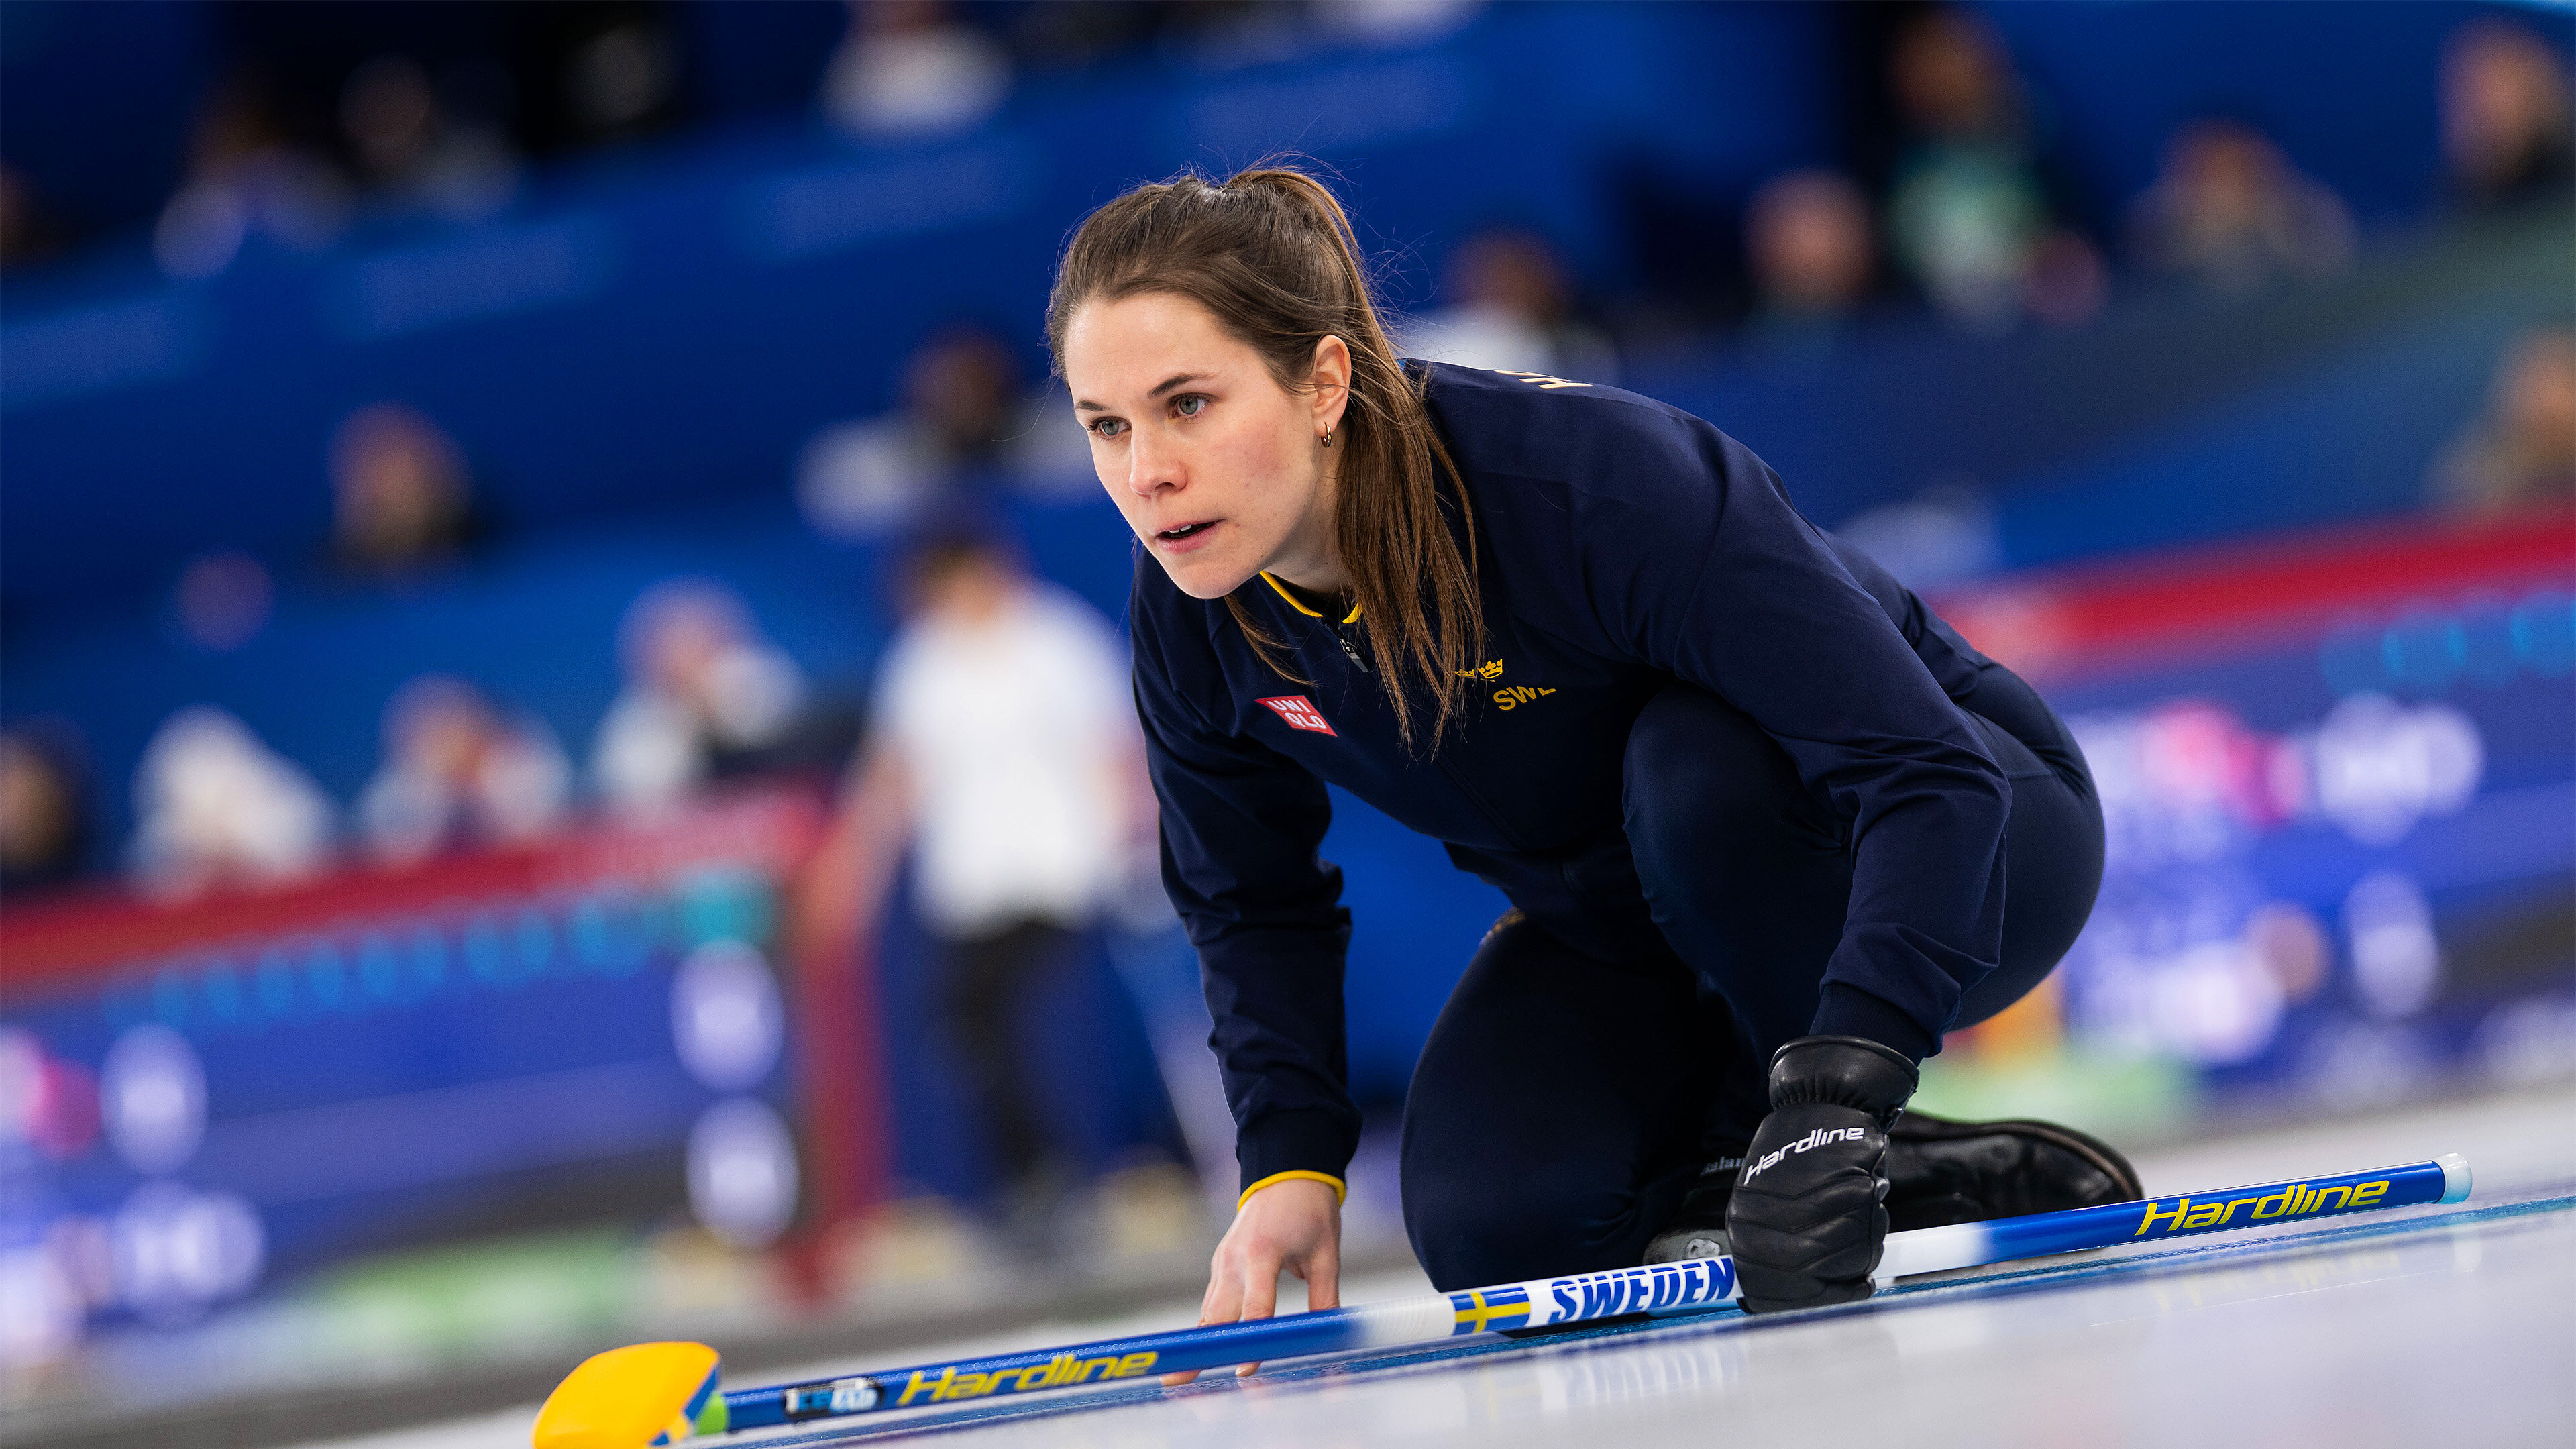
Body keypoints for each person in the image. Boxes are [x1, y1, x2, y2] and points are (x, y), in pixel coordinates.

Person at [1046, 166, 2138, 1350]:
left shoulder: (1587, 484)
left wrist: (1842, 1089)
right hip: (1635, 924)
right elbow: (1252, 905)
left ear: (1323, 382)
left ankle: (1832, 1124)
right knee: (1493, 1234)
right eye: (1107, 425)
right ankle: (1895, 1176)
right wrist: (1286, 1171)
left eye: (1187, 405)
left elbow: (1924, 774)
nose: (1144, 473)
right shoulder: (1192, 612)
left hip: (1975, 832)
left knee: (1690, 770)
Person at [798, 526, 1157, 1236]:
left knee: (1030, 1026)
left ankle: (1078, 1177)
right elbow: (892, 779)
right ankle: (1031, 1184)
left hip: (1061, 877)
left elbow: (1119, 751)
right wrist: (850, 876)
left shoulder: (1059, 643)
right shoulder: (924, 660)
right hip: (966, 889)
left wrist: (1138, 852)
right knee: (963, 1035)